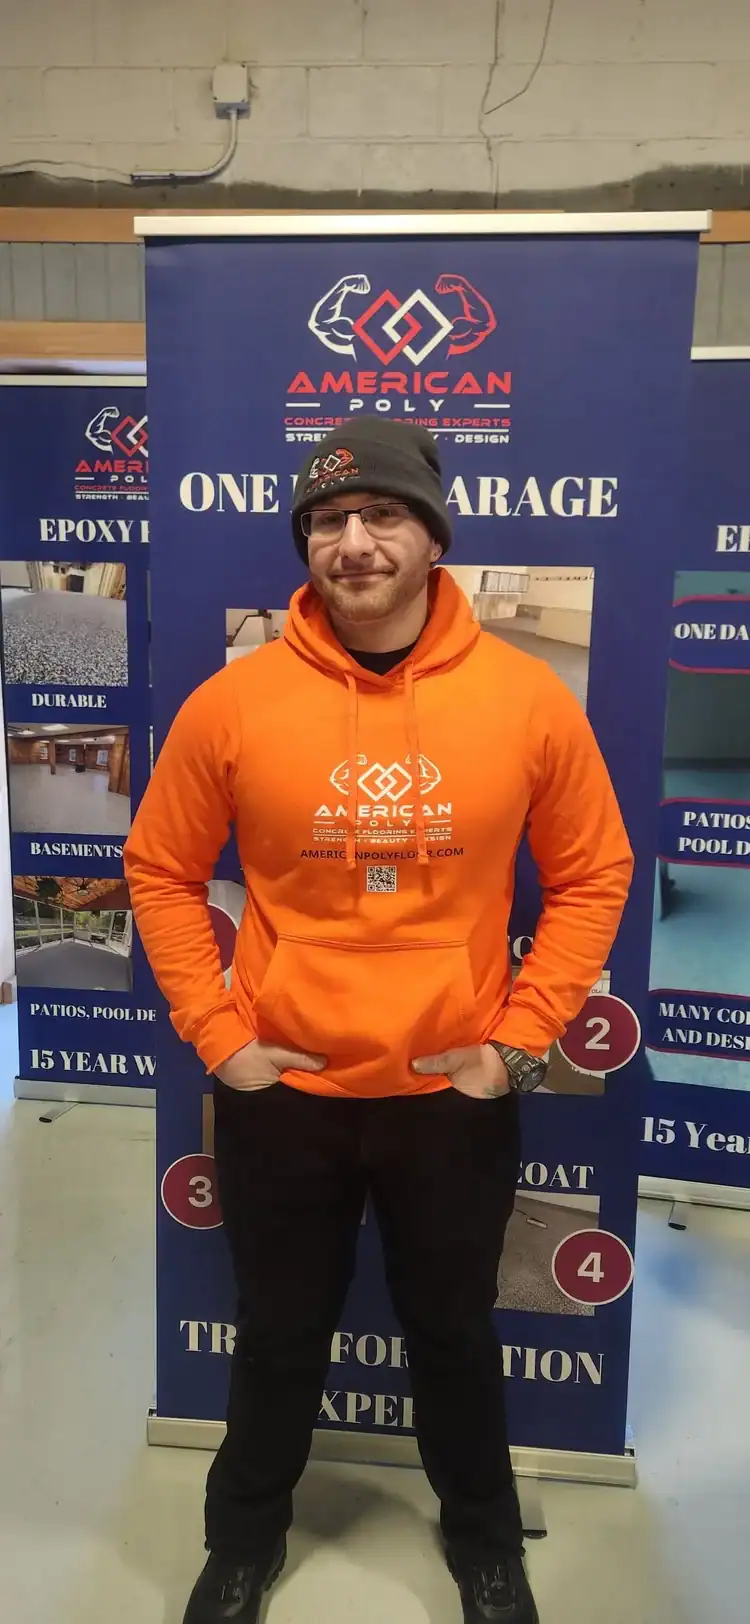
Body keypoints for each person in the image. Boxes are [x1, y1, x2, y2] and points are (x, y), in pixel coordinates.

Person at [125, 420, 634, 1624]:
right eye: (326, 521)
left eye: (381, 515)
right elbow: (159, 867)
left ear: (432, 534)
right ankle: (243, 1543)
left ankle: (486, 1546)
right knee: (278, 1332)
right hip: (284, 1092)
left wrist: (518, 1045)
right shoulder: (234, 702)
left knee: (453, 1332)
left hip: (449, 1093)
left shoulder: (526, 698)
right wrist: (219, 1036)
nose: (352, 542)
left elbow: (595, 872)